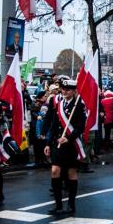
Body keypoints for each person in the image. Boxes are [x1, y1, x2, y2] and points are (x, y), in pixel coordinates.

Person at [43, 79, 86, 215]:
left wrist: (69, 138)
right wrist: (48, 143)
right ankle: (58, 204)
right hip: (58, 144)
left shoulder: (79, 106)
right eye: (63, 89)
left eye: (68, 89)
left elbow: (80, 127)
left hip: (71, 145)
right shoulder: (59, 105)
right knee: (55, 170)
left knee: (71, 173)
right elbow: (54, 125)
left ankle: (71, 204)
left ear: (74, 91)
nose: (65, 91)